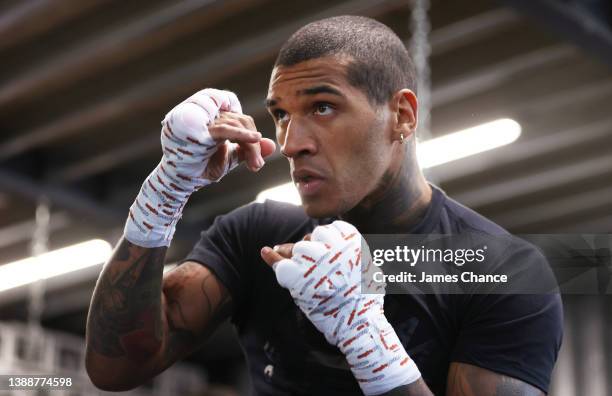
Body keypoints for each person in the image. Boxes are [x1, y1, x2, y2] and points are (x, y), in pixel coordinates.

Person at [85, 15, 563, 395]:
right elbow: (115, 367)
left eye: (322, 107)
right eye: (280, 115)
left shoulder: (504, 270)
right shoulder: (256, 235)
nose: (292, 144)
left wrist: (368, 342)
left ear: (401, 116)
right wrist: (164, 194)